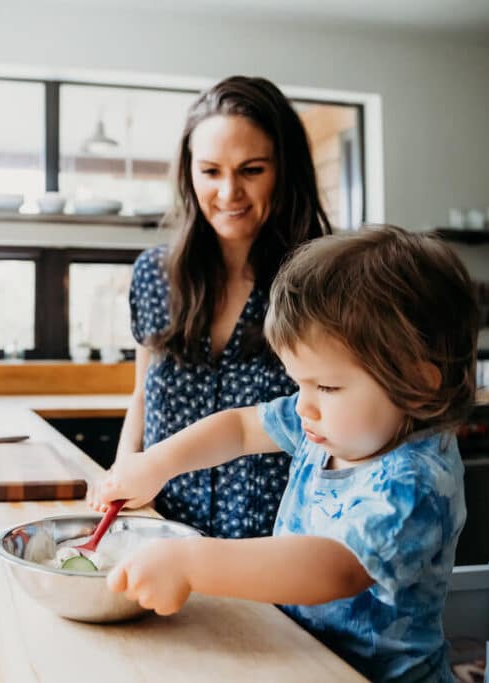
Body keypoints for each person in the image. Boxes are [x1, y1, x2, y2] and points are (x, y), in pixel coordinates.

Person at [93, 226, 478, 683]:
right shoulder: (332, 425)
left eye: (327, 386)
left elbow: (335, 568)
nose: (302, 405)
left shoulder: (415, 479)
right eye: (299, 382)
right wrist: (155, 464)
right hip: (298, 659)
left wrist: (191, 562)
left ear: (417, 384)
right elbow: (239, 427)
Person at [117, 75, 331, 539]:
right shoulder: (154, 274)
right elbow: (142, 395)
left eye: (252, 170)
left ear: (285, 170)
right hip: (162, 534)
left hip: (276, 549)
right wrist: (123, 476)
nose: (229, 192)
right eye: (211, 171)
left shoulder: (324, 284)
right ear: (189, 173)